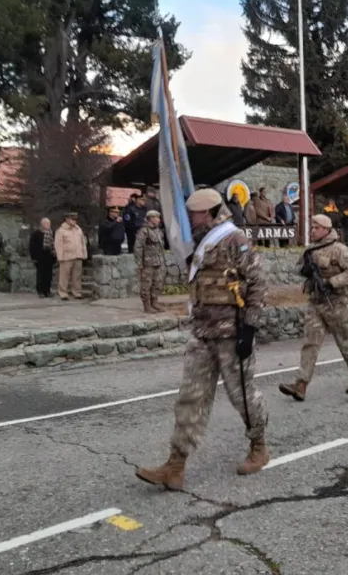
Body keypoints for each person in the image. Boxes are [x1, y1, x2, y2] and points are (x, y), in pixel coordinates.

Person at [135, 189, 270, 490]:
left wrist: (249, 328)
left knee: (242, 397)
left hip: (232, 332)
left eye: (194, 214)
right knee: (190, 398)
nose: (190, 219)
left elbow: (258, 284)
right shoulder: (199, 241)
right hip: (203, 333)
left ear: (209, 213)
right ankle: (175, 465)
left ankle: (259, 446)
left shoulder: (235, 240)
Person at [279, 214, 348, 401]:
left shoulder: (339, 250)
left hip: (336, 302)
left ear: (326, 229)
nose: (313, 230)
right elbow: (299, 268)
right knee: (310, 343)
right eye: (312, 228)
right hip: (316, 302)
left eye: (316, 228)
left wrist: (331, 282)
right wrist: (306, 270)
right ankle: (301, 384)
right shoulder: (311, 250)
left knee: (344, 341)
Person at [135, 210, 165, 313]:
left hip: (158, 261)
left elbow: (160, 247)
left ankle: (154, 302)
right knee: (146, 284)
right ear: (151, 219)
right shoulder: (144, 231)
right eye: (156, 218)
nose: (159, 220)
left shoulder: (158, 231)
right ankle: (146, 305)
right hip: (147, 263)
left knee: (157, 283)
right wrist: (139, 263)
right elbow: (138, 247)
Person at [55, 212, 87, 300]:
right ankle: (63, 293)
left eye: (75, 219)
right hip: (66, 256)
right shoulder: (61, 230)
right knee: (64, 276)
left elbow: (83, 242)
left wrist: (84, 254)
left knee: (77, 276)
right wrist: (60, 257)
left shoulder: (78, 229)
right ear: (67, 219)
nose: (74, 221)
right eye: (72, 219)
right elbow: (58, 245)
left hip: (77, 255)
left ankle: (77, 292)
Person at [28, 218, 56, 297]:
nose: (48, 225)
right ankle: (40, 291)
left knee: (49, 275)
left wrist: (54, 257)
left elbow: (54, 246)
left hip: (49, 257)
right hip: (39, 258)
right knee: (40, 275)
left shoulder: (51, 233)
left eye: (49, 223)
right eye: (46, 223)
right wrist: (34, 257)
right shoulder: (35, 234)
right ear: (42, 224)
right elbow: (32, 247)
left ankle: (47, 291)